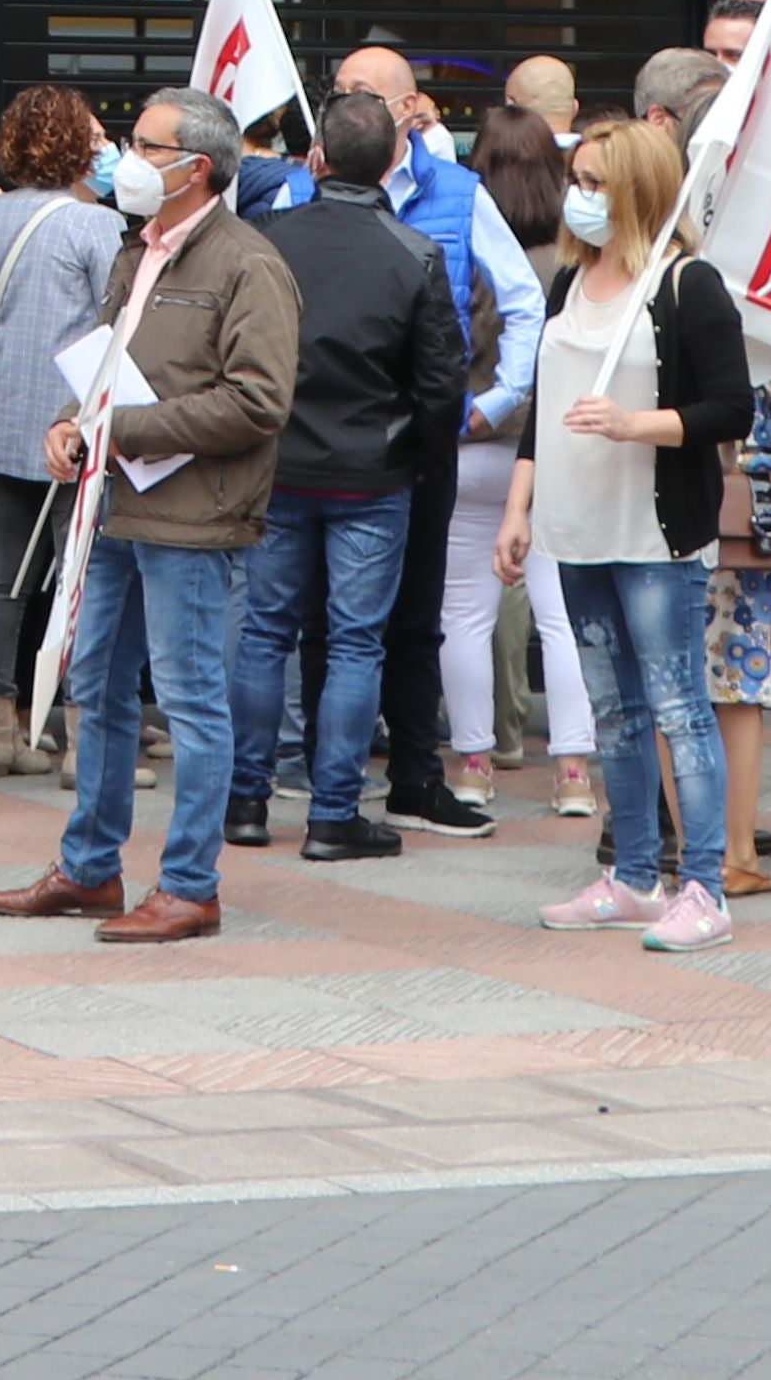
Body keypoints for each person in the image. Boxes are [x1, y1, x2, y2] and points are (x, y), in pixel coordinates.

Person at [0, 88, 292, 946]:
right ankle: (90, 867)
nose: (126, 158)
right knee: (97, 685)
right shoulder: (136, 251)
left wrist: (126, 427)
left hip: (194, 516)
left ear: (198, 168)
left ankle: (191, 885)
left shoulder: (247, 264)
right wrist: (72, 426)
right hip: (113, 502)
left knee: (190, 700)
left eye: (147, 147)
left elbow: (259, 402)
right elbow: (105, 362)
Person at [495, 111, 751, 948]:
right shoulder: (570, 285)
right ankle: (635, 873)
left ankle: (704, 883)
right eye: (578, 180)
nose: (579, 196)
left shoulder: (688, 284)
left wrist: (637, 424)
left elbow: (729, 407)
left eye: (597, 183)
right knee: (615, 711)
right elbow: (543, 412)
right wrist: (519, 508)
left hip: (654, 533)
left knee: (678, 705)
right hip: (576, 529)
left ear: (638, 189)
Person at [222, 94, 471, 862]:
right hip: (372, 471)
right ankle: (333, 814)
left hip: (280, 462)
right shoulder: (413, 253)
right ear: (391, 163)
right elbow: (442, 381)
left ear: (317, 160)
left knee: (265, 632)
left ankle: (246, 800)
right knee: (357, 643)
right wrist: (424, 460)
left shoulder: (266, 240)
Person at [332, 43, 535, 839]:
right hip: (334, 441)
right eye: (339, 90)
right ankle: (328, 782)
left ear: (410, 110)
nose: (345, 103)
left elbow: (523, 302)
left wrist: (497, 402)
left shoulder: (458, 192)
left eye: (363, 93)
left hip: (427, 442)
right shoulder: (305, 190)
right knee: (328, 619)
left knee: (419, 616)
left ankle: (417, 774)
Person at [0, 84, 129, 778]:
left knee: (1, 580)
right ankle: (85, 740)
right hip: (74, 421)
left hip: (0, 417)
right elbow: (113, 324)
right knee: (79, 582)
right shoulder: (98, 226)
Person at [445, 96, 599, 818]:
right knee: (563, 617)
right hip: (556, 456)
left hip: (472, 445)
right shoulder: (575, 263)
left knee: (465, 614)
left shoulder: (460, 248)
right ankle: (573, 772)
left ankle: (472, 762)